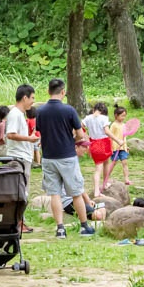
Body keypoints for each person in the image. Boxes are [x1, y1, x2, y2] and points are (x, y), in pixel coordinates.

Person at [37, 78, 92, 238]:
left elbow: (41, 131)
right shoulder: (69, 110)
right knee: (76, 192)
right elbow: (80, 135)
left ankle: (60, 228)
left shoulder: (40, 111)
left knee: (55, 194)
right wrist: (72, 139)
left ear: (48, 91)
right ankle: (84, 226)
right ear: (63, 92)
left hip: (48, 157)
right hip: (67, 156)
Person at [5, 85, 38, 197]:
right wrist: (29, 138)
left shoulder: (20, 114)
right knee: (19, 190)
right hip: (18, 157)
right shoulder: (15, 114)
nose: (33, 101)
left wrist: (30, 137)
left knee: (23, 190)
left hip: (24, 156)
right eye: (32, 98)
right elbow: (10, 134)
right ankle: (18, 213)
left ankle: (20, 213)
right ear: (25, 98)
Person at [83, 102, 111, 198]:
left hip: (93, 143)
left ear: (94, 110)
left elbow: (80, 126)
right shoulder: (104, 118)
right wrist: (117, 139)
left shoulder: (88, 118)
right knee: (103, 164)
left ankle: (103, 184)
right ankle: (98, 189)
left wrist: (86, 139)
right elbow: (107, 131)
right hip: (104, 143)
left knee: (100, 166)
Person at [104, 105, 131, 189]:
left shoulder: (124, 125)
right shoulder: (113, 125)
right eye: (122, 115)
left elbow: (124, 137)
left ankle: (126, 179)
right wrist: (110, 147)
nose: (123, 117)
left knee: (125, 163)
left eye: (125, 116)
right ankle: (106, 178)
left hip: (123, 148)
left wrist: (126, 146)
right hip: (115, 147)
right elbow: (110, 136)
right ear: (116, 115)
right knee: (113, 163)